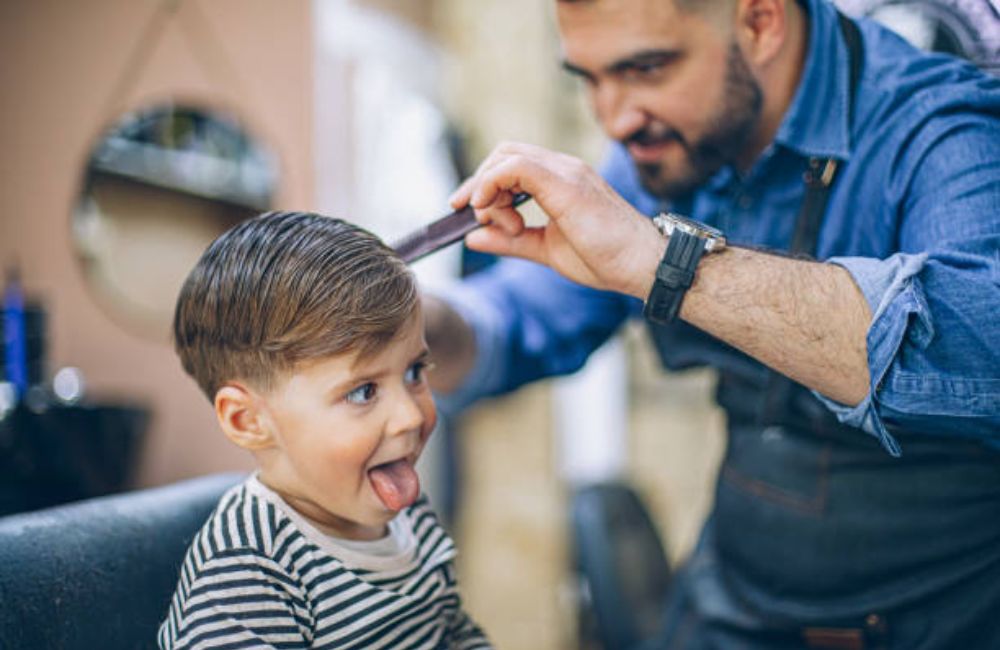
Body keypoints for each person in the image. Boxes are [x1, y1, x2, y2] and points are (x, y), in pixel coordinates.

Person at [427, 0, 1000, 646]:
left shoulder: (940, 128)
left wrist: (665, 263)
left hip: (944, 617)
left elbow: (983, 348)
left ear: (760, 22)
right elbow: (525, 318)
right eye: (587, 78)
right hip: (733, 603)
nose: (614, 119)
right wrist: (417, 329)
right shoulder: (664, 141)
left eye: (646, 68)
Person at [159, 212, 490, 649]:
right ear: (248, 420)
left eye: (414, 371)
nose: (411, 415)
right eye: (363, 392)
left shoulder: (407, 512)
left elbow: (454, 633)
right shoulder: (250, 572)